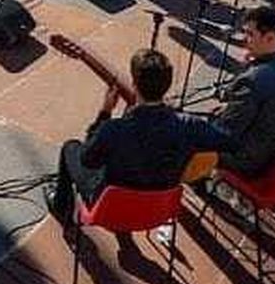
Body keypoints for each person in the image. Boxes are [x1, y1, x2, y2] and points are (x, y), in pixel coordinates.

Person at [45, 48, 230, 225]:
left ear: (134, 84)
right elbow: (227, 141)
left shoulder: (113, 129)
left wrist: (104, 113)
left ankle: (61, 206)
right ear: (167, 86)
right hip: (160, 209)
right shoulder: (191, 125)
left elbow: (88, 160)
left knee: (70, 147)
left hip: (111, 209)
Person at [214, 6, 275, 177]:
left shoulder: (254, 80)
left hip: (243, 159)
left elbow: (225, 132)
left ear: (270, 38)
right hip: (271, 154)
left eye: (250, 34)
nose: (245, 39)